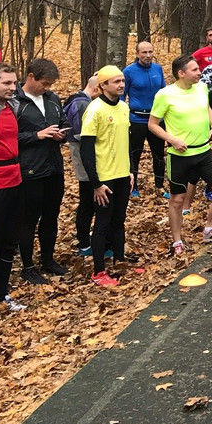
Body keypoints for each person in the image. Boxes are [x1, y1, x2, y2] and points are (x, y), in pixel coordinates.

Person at [148, 54, 212, 255]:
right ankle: (177, 241)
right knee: (177, 200)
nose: (200, 72)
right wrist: (173, 140)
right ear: (181, 73)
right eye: (195, 70)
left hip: (204, 152)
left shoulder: (201, 88)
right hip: (179, 156)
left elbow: (206, 108)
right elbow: (152, 125)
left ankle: (210, 229)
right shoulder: (165, 94)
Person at [80, 66, 134, 287]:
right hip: (103, 177)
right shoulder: (94, 110)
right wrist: (96, 183)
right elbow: (86, 150)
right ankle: (98, 271)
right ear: (102, 86)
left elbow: (126, 142)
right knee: (102, 223)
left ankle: (119, 261)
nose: (121, 85)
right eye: (116, 82)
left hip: (122, 174)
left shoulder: (123, 107)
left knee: (118, 220)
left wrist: (131, 170)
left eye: (122, 81)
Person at [15, 58, 67, 283]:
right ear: (30, 77)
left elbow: (63, 122)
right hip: (30, 170)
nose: (47, 88)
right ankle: (27, 266)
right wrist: (37, 135)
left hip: (54, 167)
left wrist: (60, 135)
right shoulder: (16, 102)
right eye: (44, 84)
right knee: (29, 219)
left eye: (50, 84)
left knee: (51, 216)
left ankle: (48, 259)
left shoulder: (53, 99)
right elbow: (8, 137)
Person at [0, 63, 25, 312]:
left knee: (8, 242)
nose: (13, 88)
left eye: (14, 83)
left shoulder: (11, 106)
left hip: (15, 179)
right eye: (6, 83)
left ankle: (0, 296)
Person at [123, 40, 167, 198]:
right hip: (136, 119)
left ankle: (159, 185)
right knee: (135, 154)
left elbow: (164, 92)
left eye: (150, 52)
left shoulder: (158, 69)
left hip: (156, 119)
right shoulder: (128, 72)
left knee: (158, 154)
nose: (148, 55)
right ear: (137, 54)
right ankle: (132, 186)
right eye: (144, 52)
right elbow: (122, 96)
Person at [63, 76, 99, 256]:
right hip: (84, 160)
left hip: (89, 159)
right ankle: (84, 243)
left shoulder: (82, 101)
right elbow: (80, 135)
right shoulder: (82, 104)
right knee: (87, 202)